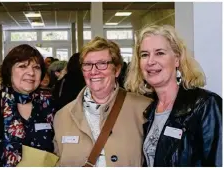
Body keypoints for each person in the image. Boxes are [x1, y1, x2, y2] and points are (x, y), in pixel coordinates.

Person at [125, 25, 222, 167]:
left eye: (159, 53)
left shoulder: (205, 105)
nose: (151, 61)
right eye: (144, 55)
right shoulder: (149, 111)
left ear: (177, 59)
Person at [53, 37, 152, 166]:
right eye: (88, 65)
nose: (94, 71)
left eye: (102, 64)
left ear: (116, 70)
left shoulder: (143, 109)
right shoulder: (62, 117)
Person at [0, 44, 56, 167]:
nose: (31, 72)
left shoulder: (51, 105)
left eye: (36, 67)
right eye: (22, 66)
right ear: (9, 71)